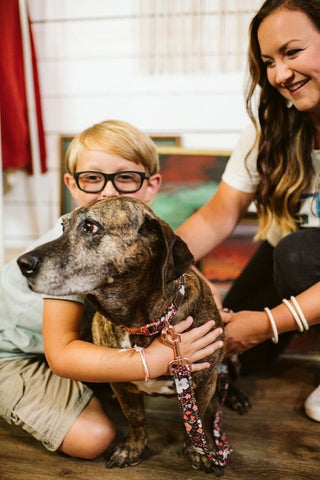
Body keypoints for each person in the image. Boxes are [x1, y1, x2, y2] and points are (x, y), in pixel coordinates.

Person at [0, 119, 223, 459]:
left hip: (63, 348)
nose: (108, 191)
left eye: (125, 177)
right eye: (92, 178)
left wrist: (210, 297)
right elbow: (60, 356)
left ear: (151, 185)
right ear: (71, 185)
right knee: (94, 438)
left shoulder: (142, 233)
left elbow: (172, 267)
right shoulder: (65, 255)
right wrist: (153, 360)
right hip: (14, 355)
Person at [176, 0, 320, 422]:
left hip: (305, 258)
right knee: (224, 345)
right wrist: (162, 262)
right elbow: (217, 214)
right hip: (297, 260)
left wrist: (266, 324)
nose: (279, 75)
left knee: (296, 252)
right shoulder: (272, 127)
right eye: (268, 62)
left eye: (292, 52)